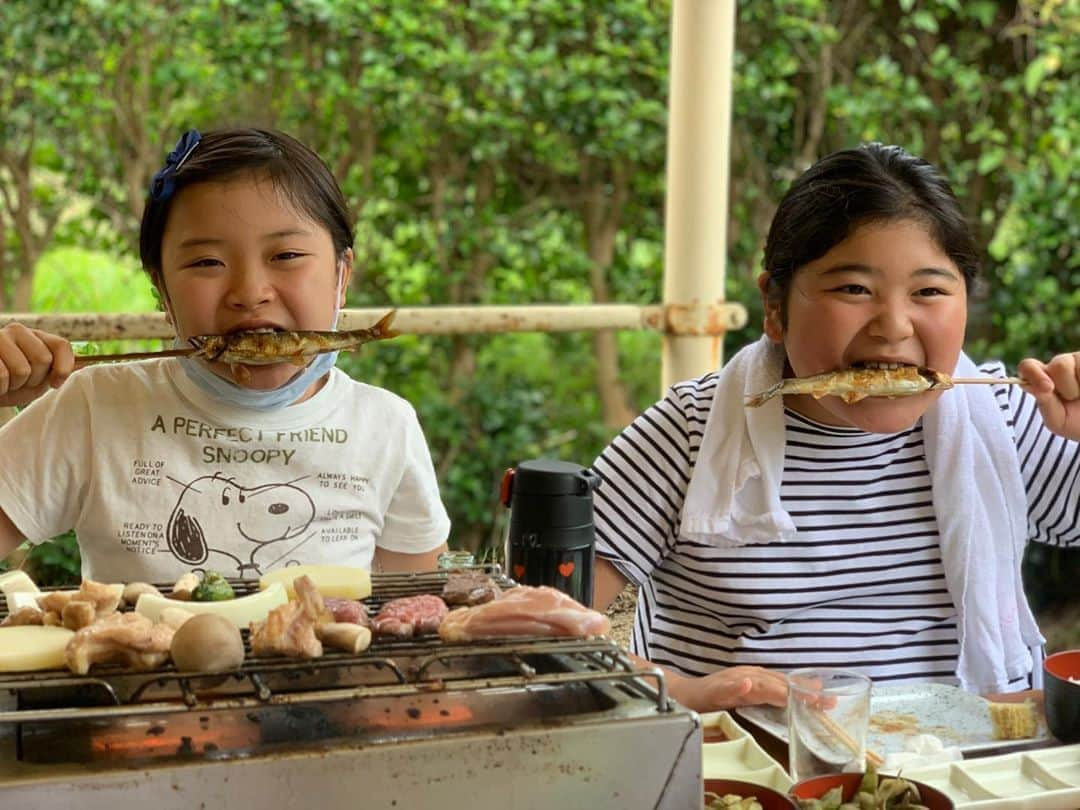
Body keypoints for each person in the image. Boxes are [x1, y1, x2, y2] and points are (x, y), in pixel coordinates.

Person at [591, 143, 1080, 712]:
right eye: (854, 289)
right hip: (754, 781)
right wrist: (683, 693)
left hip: (963, 775)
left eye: (929, 291)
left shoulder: (1005, 420)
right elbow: (541, 631)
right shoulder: (689, 433)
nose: (893, 326)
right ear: (775, 306)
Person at [0, 127, 450, 582]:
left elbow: (418, 611)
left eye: (287, 254)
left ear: (341, 274)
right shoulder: (95, 406)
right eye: (206, 263)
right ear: (162, 292)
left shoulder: (385, 427)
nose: (249, 293)